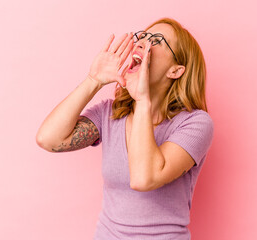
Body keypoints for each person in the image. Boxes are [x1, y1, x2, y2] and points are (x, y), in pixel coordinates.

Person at [36, 17, 214, 240]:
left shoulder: (196, 124)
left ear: (175, 71)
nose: (142, 43)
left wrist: (142, 101)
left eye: (156, 40)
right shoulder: (110, 114)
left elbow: (143, 179)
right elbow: (48, 139)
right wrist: (93, 80)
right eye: (143, 36)